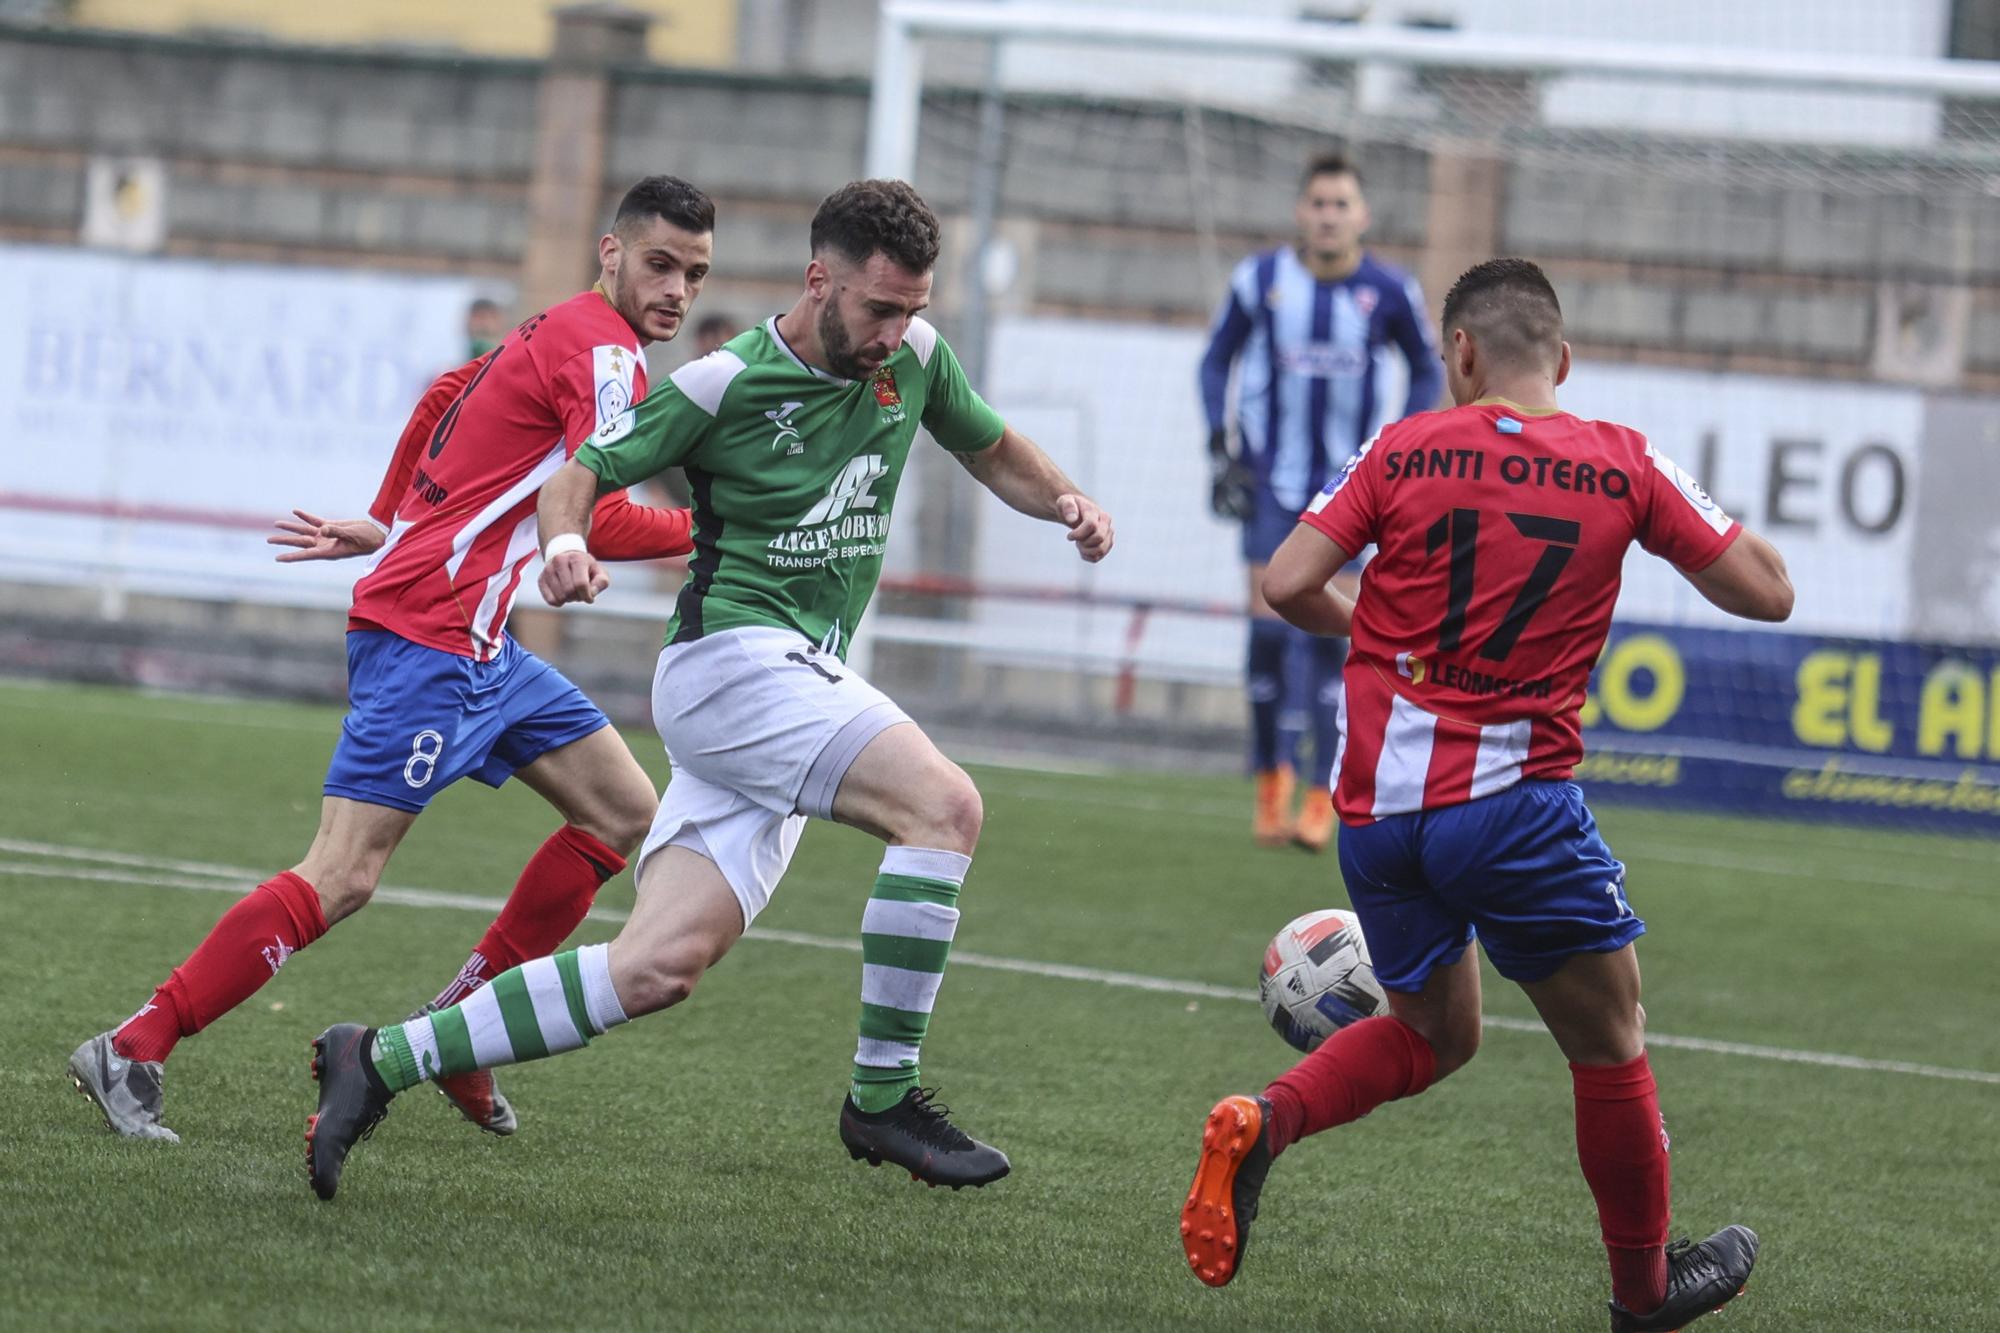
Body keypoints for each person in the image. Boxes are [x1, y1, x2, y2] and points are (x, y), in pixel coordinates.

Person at [301, 178, 1114, 1202]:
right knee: (943, 807)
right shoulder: (722, 383)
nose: (896, 329)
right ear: (819, 281)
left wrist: (1067, 501)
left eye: (912, 307)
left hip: (789, 678)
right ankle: (881, 1093)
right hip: (731, 665)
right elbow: (581, 472)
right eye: (878, 308)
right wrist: (560, 545)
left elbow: (991, 448)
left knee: (655, 967)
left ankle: (375, 1059)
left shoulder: (912, 356)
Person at [1178, 259, 1792, 1332]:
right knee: (1608, 1040)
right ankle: (1645, 1296)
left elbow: (1282, 584)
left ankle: (1263, 1120)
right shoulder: (1620, 460)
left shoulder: (1404, 444)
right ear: (1560, 356)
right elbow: (1767, 592)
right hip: (1512, 804)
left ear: (1458, 353)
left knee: (1434, 1031)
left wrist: (1383, 631)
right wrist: (1678, 503)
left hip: (1374, 815)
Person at [66, 176, 714, 1144]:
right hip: (429, 636)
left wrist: (388, 513)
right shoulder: (608, 355)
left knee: (623, 811)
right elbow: (595, 509)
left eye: (694, 274)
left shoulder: (560, 327)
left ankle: (458, 1035)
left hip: (478, 645)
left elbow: (450, 394)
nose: (676, 289)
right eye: (658, 264)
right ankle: (134, 1045)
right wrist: (712, 529)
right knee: (342, 875)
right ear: (610, 253)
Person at [1199, 152, 1442, 853]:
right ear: (1300, 212)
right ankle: (1270, 776)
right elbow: (1216, 358)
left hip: (1356, 493)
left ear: (1362, 216)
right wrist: (1220, 438)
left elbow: (1426, 366)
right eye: (1318, 203)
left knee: (1339, 637)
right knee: (1271, 629)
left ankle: (1320, 791)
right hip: (1271, 483)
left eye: (1342, 204)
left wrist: (1406, 442)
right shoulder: (1262, 280)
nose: (1329, 215)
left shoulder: (1390, 290)